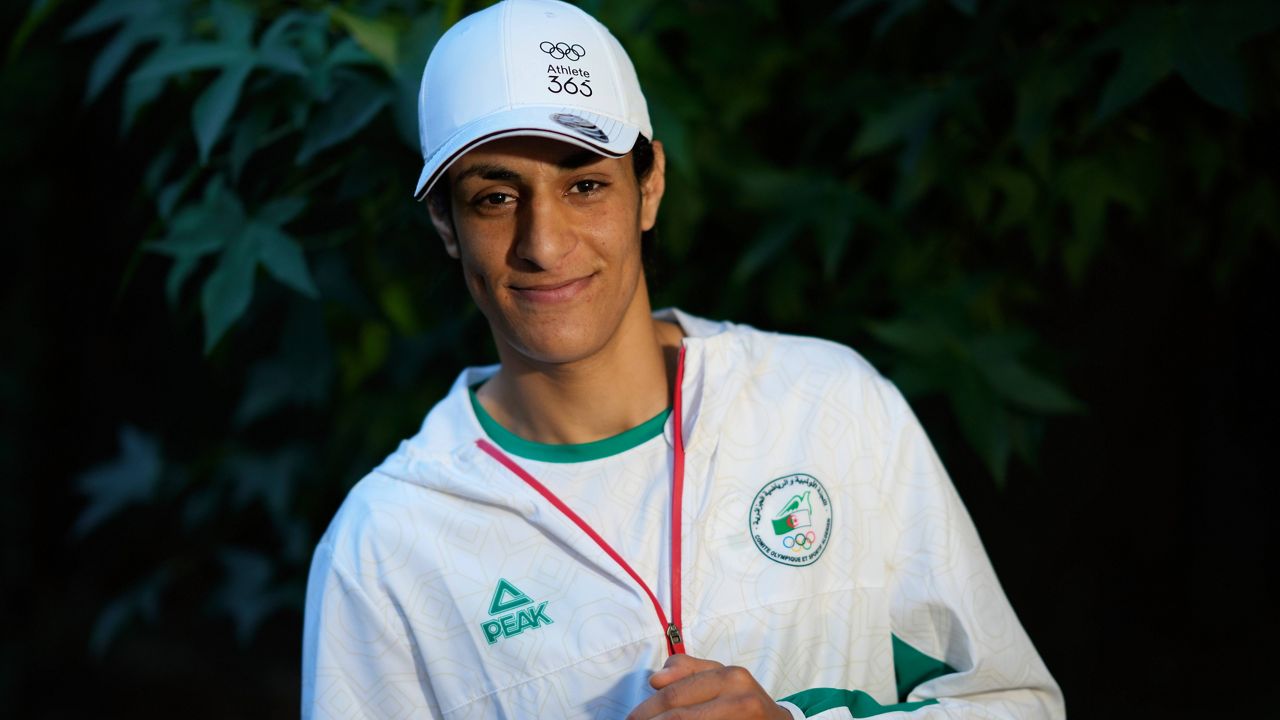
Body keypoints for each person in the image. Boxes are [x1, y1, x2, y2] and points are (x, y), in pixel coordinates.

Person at [301, 1, 1064, 717]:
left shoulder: (828, 406)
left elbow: (1018, 702)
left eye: (586, 184)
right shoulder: (387, 547)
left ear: (650, 185)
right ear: (445, 223)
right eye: (494, 198)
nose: (544, 243)